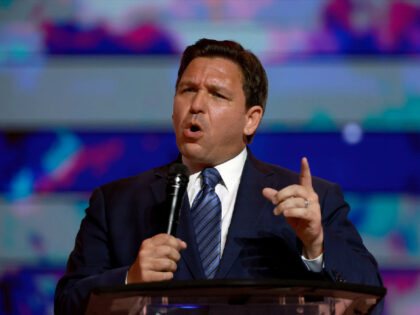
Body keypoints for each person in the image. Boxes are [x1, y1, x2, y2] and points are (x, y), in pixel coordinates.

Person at [54, 38, 383, 314]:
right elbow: (68, 304)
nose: (196, 105)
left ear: (250, 120)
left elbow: (370, 302)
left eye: (216, 94)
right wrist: (129, 279)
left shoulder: (310, 200)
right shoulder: (116, 202)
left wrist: (315, 247)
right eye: (187, 90)